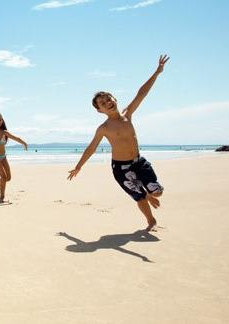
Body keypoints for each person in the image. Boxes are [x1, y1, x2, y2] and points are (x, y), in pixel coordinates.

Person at [67, 55, 170, 231]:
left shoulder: (127, 114)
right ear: (99, 111)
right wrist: (79, 166)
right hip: (121, 169)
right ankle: (151, 220)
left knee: (158, 191)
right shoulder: (104, 128)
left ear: (115, 98)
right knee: (139, 197)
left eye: (109, 99)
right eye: (102, 103)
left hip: (139, 162)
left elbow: (141, 93)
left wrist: (157, 73)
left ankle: (148, 193)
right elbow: (91, 148)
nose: (107, 102)